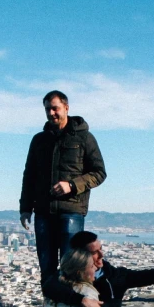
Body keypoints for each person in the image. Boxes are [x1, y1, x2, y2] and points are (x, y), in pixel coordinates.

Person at [19, 91, 106, 285]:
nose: (51, 113)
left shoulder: (84, 138)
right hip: (43, 210)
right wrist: (25, 208)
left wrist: (72, 186)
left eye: (55, 108)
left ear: (66, 108)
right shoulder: (39, 140)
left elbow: (99, 173)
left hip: (71, 211)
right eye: (47, 109)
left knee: (72, 267)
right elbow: (29, 176)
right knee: (46, 267)